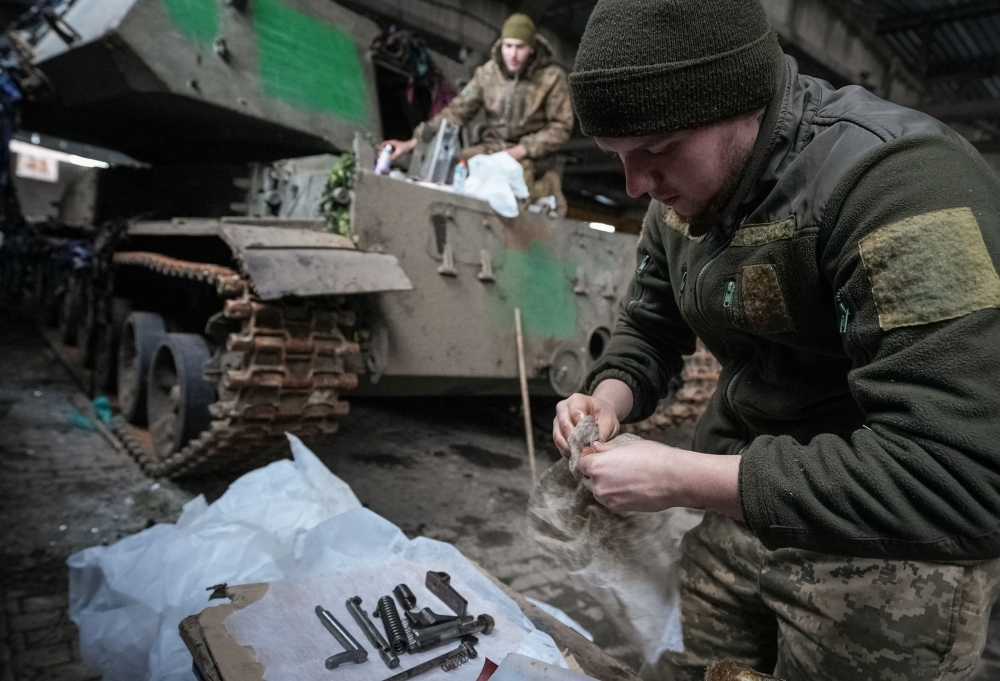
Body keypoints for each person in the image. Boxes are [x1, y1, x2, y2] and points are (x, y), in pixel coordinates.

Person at [552, 0, 1000, 679]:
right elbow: (650, 323)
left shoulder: (898, 185)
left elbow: (962, 476)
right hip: (739, 519)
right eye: (618, 157)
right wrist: (608, 398)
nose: (637, 184)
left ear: (741, 100)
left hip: (886, 555)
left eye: (659, 150)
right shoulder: (678, 201)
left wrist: (680, 476)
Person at [380, 14, 574, 215]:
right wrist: (413, 142)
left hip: (530, 156)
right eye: (508, 46)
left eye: (520, 47)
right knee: (455, 169)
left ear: (532, 47)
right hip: (491, 149)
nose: (513, 54)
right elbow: (457, 112)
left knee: (517, 191)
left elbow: (561, 127)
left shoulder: (551, 79)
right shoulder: (487, 74)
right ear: (501, 45)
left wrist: (520, 150)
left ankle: (548, 186)